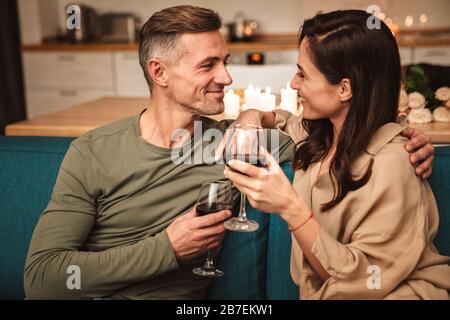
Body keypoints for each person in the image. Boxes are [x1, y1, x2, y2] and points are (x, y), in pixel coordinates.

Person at [24, 6, 435, 299]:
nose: (227, 76)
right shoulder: (92, 153)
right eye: (208, 66)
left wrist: (406, 135)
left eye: (226, 61)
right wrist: (167, 248)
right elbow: (41, 280)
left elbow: (350, 125)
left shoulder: (239, 146)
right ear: (159, 72)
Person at [224, 10, 450, 299]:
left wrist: (289, 207)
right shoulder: (320, 135)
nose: (293, 84)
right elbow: (282, 119)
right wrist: (251, 115)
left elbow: (359, 281)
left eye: (303, 74)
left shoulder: (395, 163)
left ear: (345, 88)